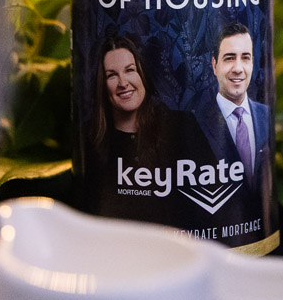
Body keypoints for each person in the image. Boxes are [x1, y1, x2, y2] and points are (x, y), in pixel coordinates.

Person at [88, 37, 211, 223]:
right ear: (102, 85)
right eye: (111, 75)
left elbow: (212, 198)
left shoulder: (181, 125)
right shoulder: (90, 139)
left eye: (130, 70)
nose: (123, 83)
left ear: (142, 75)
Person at [194, 22, 273, 236]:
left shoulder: (267, 116)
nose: (238, 68)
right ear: (214, 65)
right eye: (229, 58)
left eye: (245, 58)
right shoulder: (195, 123)